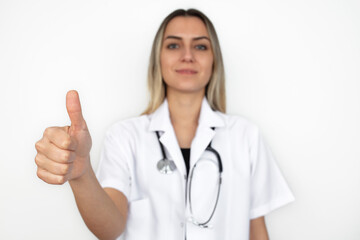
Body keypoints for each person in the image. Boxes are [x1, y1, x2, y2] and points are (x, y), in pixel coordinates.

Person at [35, 8, 294, 240]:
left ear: (214, 60)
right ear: (158, 59)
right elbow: (110, 229)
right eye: (173, 46)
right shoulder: (125, 137)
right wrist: (82, 175)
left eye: (201, 46)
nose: (188, 56)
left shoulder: (245, 136)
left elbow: (256, 231)